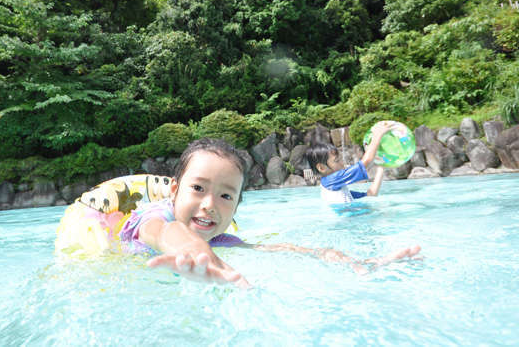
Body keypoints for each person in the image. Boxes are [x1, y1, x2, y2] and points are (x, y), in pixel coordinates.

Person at [118, 137, 420, 287]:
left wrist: (348, 259)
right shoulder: (156, 216)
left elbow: (279, 249)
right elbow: (162, 233)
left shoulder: (222, 242)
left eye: (225, 195)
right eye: (198, 188)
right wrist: (198, 253)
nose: (210, 204)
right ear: (173, 191)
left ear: (236, 207)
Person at [304, 121, 395, 204]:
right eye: (337, 160)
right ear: (321, 168)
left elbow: (371, 193)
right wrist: (378, 134)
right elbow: (366, 161)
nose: (342, 162)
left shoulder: (336, 187)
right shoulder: (332, 180)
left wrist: (381, 167)